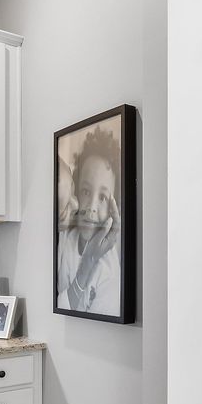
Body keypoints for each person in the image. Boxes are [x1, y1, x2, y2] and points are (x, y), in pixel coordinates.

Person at [57, 126, 121, 315]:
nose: (91, 206)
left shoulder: (109, 274)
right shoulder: (65, 237)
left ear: (113, 208)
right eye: (86, 191)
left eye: (102, 197)